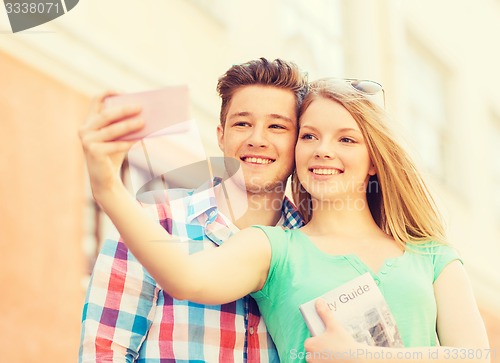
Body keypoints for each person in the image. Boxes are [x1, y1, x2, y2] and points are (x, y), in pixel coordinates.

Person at [82, 77, 490, 363]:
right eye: (310, 136)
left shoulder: (431, 255)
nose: (322, 150)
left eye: (346, 139)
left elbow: (476, 357)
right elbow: (187, 277)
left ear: (374, 162)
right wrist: (109, 189)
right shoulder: (274, 246)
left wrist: (364, 358)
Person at [78, 58, 309, 362]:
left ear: (299, 141)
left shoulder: (312, 243)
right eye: (242, 123)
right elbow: (105, 353)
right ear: (221, 135)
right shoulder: (151, 223)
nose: (257, 139)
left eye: (277, 126)